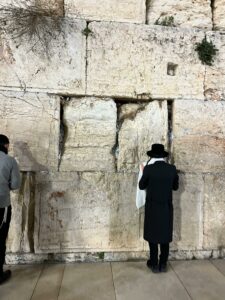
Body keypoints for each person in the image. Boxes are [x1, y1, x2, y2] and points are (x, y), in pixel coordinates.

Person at [139, 143, 179, 273]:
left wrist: (143, 171)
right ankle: (163, 264)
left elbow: (141, 186)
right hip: (166, 207)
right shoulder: (172, 169)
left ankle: (154, 264)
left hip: (152, 207)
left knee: (153, 235)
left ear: (153, 155)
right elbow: (175, 187)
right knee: (164, 236)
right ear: (163, 156)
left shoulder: (149, 169)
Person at [0, 134, 21, 284]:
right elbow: (15, 185)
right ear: (6, 145)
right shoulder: (9, 160)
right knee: (0, 238)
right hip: (1, 205)